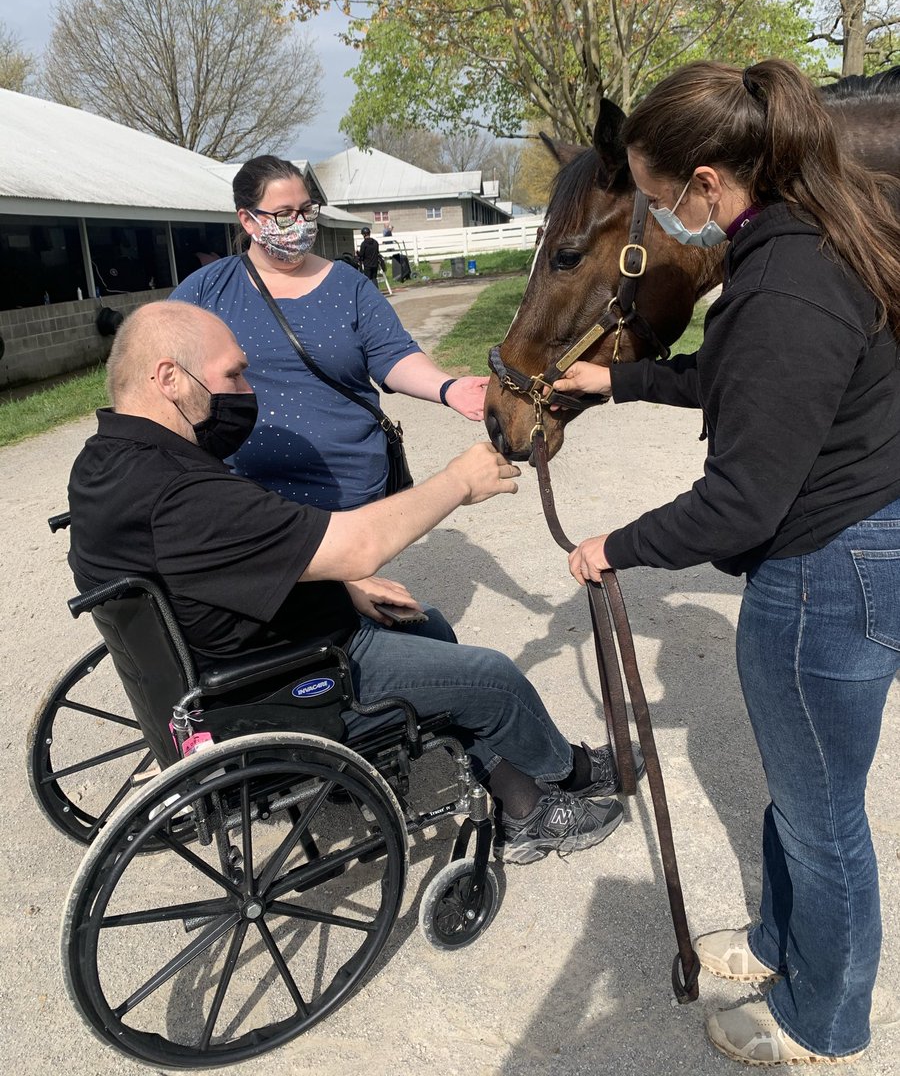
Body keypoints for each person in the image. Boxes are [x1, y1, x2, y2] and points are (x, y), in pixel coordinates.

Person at [551, 59, 900, 1065]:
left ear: (709, 182)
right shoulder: (808, 240)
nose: (664, 222)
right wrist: (621, 383)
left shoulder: (784, 282)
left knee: (825, 819)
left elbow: (741, 498)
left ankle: (820, 1025)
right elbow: (757, 382)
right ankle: (775, 942)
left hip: (823, 582)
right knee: (808, 797)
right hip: (860, 550)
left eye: (660, 200)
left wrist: (617, 545)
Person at [67, 301, 640, 865]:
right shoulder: (184, 495)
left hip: (227, 659)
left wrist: (344, 589)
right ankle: (558, 775)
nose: (245, 390)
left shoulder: (108, 462)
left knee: (428, 625)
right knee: (493, 679)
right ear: (168, 377)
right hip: (287, 680)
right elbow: (355, 546)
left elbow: (214, 568)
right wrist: (456, 484)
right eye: (233, 374)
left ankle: (515, 792)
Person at [170, 156, 487, 510]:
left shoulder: (348, 285)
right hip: (245, 497)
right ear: (248, 220)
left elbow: (393, 355)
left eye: (307, 210)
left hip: (350, 493)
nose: (301, 223)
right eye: (285, 215)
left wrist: (448, 388)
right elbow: (162, 371)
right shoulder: (206, 290)